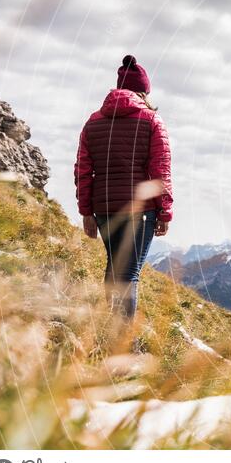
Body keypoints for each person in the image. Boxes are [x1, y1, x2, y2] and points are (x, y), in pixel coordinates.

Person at [74, 55, 173, 319]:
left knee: (115, 267)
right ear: (143, 91)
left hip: (104, 208)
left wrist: (86, 212)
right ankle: (122, 342)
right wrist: (165, 212)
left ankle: (111, 328)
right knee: (128, 274)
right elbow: (160, 171)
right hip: (139, 211)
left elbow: (83, 171)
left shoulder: (92, 123)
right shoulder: (152, 121)